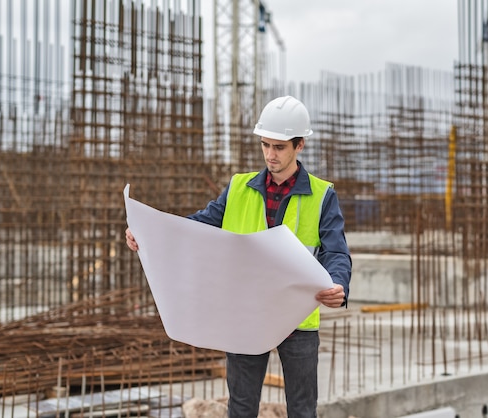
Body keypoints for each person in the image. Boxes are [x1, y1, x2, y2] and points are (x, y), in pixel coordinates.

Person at [125, 95, 352, 418]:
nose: (270, 155)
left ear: (299, 145)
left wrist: (338, 284)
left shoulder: (322, 195)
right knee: (241, 407)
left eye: (279, 147)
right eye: (265, 145)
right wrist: (149, 234)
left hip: (297, 319)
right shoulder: (239, 188)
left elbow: (336, 252)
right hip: (247, 314)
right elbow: (197, 225)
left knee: (302, 410)